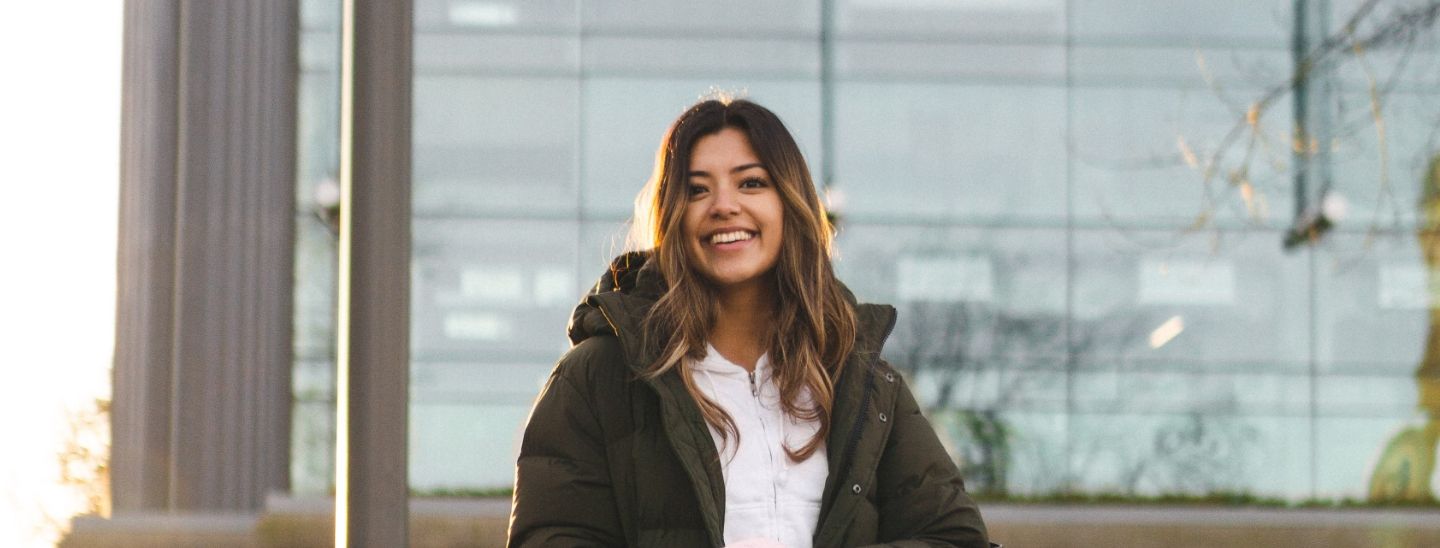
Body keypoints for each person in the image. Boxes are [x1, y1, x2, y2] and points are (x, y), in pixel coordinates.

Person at [508, 97, 994, 547]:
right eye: (697, 189)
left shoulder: (859, 378)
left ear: (790, 203)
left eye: (751, 182)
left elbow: (954, 537)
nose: (724, 205)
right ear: (673, 215)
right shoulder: (598, 376)